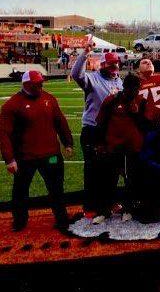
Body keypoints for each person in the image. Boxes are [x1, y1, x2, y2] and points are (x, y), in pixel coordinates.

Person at [0, 71, 74, 232]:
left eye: (41, 82)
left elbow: (60, 121)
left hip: (51, 155)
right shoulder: (12, 105)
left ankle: (62, 218)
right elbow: (4, 133)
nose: (41, 85)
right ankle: (20, 220)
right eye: (37, 83)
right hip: (25, 157)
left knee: (56, 188)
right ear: (26, 84)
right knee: (20, 190)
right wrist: (9, 159)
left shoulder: (49, 98)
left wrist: (68, 142)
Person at [71, 41, 124, 218]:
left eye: (116, 63)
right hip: (93, 130)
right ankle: (90, 205)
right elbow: (76, 74)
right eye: (110, 64)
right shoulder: (92, 78)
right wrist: (85, 53)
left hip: (113, 132)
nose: (114, 66)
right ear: (102, 65)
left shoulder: (120, 82)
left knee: (112, 169)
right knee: (93, 170)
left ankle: (110, 202)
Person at [93, 73, 145, 224]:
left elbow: (146, 126)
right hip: (113, 147)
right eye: (130, 88)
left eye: (136, 89)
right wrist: (100, 144)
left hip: (133, 147)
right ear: (124, 87)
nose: (133, 92)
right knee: (109, 179)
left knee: (131, 180)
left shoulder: (141, 102)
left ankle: (128, 209)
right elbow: (101, 122)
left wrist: (137, 114)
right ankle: (104, 211)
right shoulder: (112, 100)